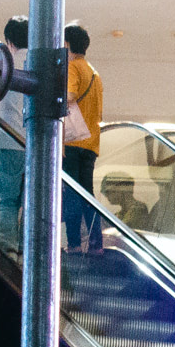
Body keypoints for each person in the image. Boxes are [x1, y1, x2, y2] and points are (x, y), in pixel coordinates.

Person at [0, 16, 28, 248]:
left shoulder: (3, 62)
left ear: (8, 39)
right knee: (30, 201)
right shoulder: (37, 64)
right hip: (33, 144)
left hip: (7, 139)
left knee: (8, 201)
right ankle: (29, 252)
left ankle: (8, 251)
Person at [62, 22, 105, 253]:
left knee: (72, 194)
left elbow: (69, 96)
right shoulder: (94, 73)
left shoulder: (73, 68)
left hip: (73, 141)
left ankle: (74, 244)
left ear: (67, 44)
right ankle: (96, 243)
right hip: (91, 143)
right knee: (87, 193)